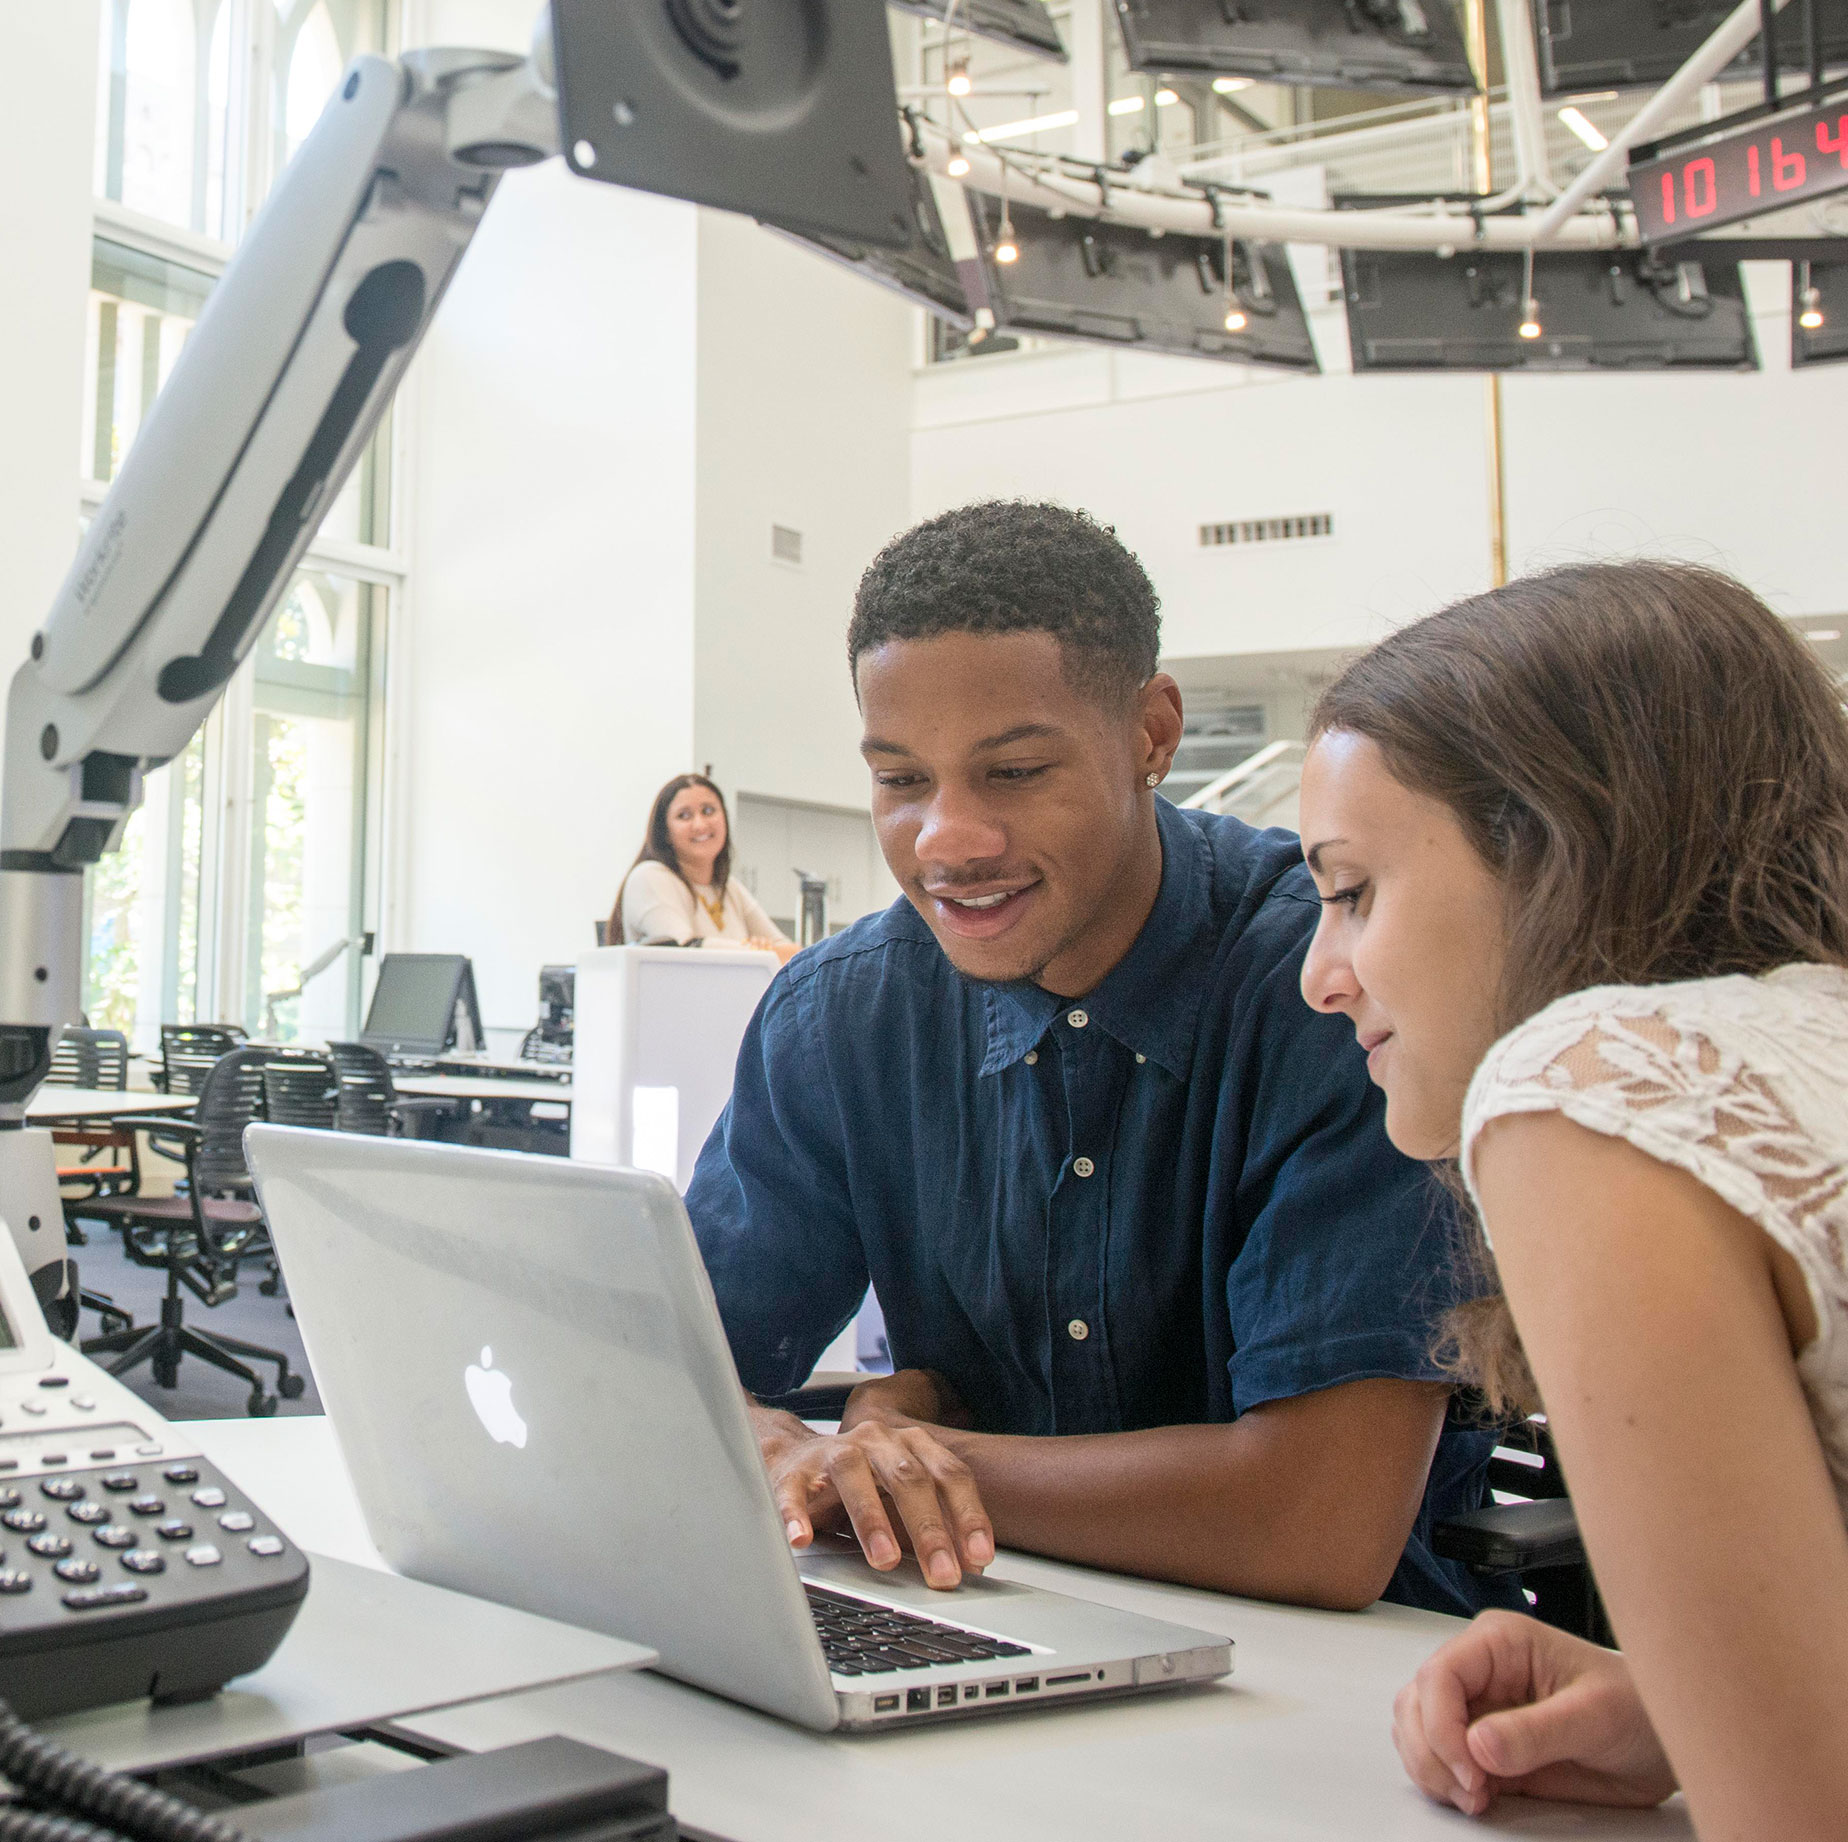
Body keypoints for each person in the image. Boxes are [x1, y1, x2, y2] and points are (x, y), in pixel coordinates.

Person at [685, 500, 1523, 1619]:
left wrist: (916, 1454)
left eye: (1016, 773)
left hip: (1349, 1690)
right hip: (984, 1617)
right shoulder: (842, 1014)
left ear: (1152, 734)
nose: (945, 839)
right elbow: (666, 1370)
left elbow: (1317, 1524)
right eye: (900, 780)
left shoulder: (1332, 989)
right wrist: (776, 1442)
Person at [1295, 560, 1848, 1836]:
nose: (1321, 976)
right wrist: (1685, 1704)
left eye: (1351, 892)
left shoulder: (1593, 1084)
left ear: (1544, 851)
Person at [610, 774, 796, 963]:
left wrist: (762, 951)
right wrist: (759, 951)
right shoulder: (649, 877)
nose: (700, 825)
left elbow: (795, 957)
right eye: (684, 815)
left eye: (708, 811)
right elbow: (685, 949)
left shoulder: (730, 887)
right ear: (665, 832)